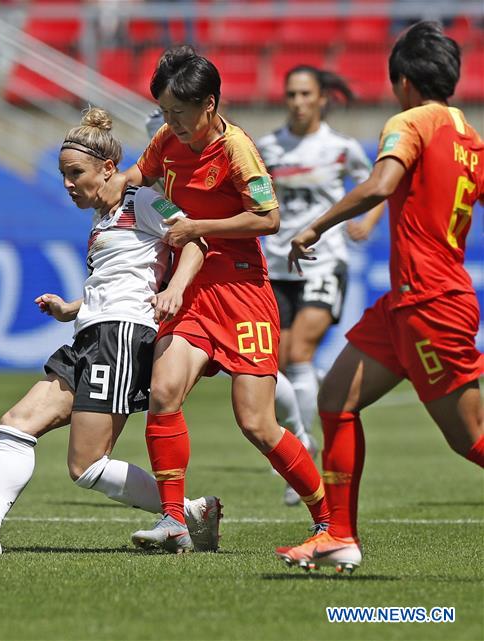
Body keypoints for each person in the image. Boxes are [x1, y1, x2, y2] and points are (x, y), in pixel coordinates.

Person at [0, 107, 222, 556]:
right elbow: (116, 279)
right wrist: (70, 308)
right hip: (89, 333)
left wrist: (175, 289)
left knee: (86, 466)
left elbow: (194, 241)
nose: (66, 184)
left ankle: (187, 511)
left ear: (107, 169)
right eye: (62, 174)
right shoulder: (101, 221)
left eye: (74, 173)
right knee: (15, 426)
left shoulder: (142, 200)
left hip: (121, 336)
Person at [102, 47, 329, 553]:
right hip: (192, 286)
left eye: (178, 113)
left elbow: (268, 219)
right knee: (163, 393)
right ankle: (174, 522)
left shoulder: (237, 150)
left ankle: (328, 518)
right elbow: (141, 176)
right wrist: (112, 182)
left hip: (242, 289)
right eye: (163, 112)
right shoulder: (167, 139)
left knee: (257, 423)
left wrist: (199, 226)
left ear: (209, 104)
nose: (170, 123)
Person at [276, 21, 483, 573]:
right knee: (335, 399)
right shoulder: (470, 138)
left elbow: (381, 183)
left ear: (404, 82)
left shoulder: (411, 121)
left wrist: (316, 226)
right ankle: (337, 536)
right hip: (407, 303)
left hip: (431, 304)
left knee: (471, 440)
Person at [256, 66, 387, 506]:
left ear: (321, 98)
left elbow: (377, 186)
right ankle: (302, 441)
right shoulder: (269, 146)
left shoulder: (341, 147)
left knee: (299, 354)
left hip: (323, 261)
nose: (297, 101)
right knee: (270, 364)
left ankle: (306, 441)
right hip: (275, 265)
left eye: (305, 94)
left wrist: (366, 222)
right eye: (291, 93)